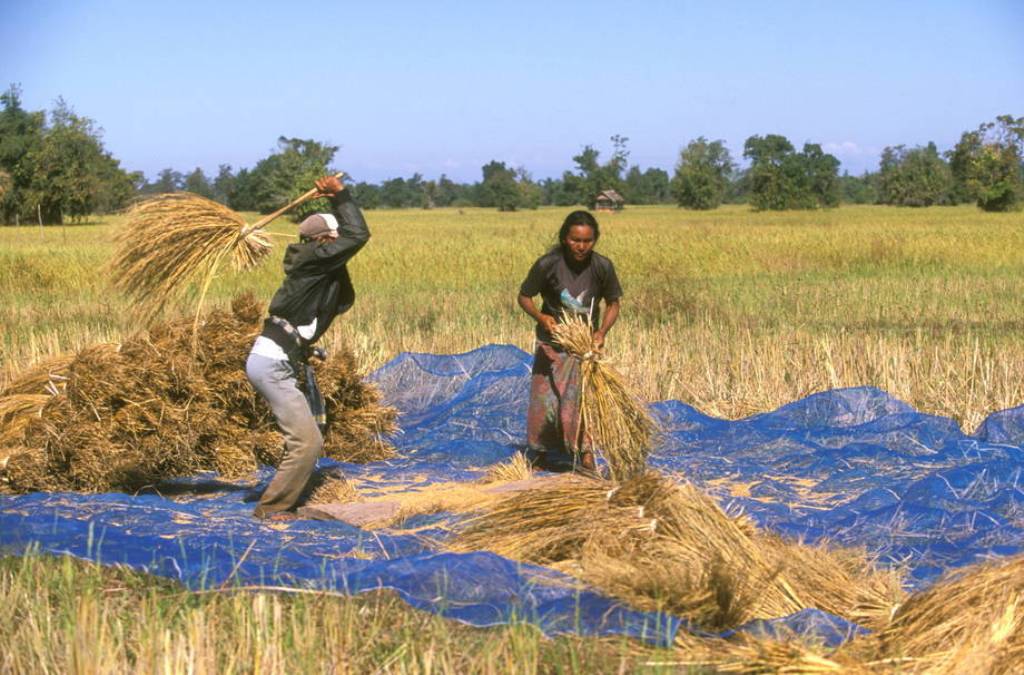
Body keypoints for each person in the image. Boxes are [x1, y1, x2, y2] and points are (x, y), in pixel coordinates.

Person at [245, 174, 369, 520]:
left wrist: (305, 349)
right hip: (270, 363)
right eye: (336, 239)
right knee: (307, 442)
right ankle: (272, 509)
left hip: (279, 358)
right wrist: (340, 196)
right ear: (324, 241)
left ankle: (282, 499)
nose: (341, 245)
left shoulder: (317, 267)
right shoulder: (313, 261)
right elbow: (358, 235)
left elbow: (302, 319)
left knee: (310, 434)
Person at [517, 210, 622, 474]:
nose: (581, 247)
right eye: (576, 240)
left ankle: (585, 455)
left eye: (587, 241)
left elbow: (613, 304)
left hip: (582, 349)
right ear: (565, 238)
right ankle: (539, 454)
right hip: (551, 344)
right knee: (545, 401)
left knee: (579, 400)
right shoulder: (547, 265)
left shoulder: (602, 267)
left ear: (595, 240)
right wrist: (541, 317)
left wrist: (601, 333)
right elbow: (524, 296)